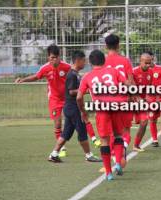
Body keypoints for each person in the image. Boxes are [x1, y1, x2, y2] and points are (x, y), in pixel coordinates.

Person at [77, 50, 127, 181]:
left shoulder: (87, 77)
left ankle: (109, 173)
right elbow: (127, 84)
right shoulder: (114, 71)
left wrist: (83, 111)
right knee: (118, 135)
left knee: (104, 140)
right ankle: (117, 163)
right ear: (104, 61)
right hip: (116, 106)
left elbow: (78, 97)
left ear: (90, 62)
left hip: (102, 109)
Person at [15, 45, 71, 157]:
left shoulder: (67, 67)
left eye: (56, 57)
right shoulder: (45, 68)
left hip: (67, 98)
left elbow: (76, 76)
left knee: (74, 120)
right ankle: (62, 148)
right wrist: (23, 80)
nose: (54, 60)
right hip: (54, 99)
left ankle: (90, 145)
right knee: (58, 123)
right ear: (48, 57)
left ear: (59, 57)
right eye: (51, 57)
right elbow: (36, 76)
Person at [48, 50, 101, 163]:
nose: (85, 63)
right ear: (77, 60)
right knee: (82, 131)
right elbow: (71, 91)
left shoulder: (75, 74)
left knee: (66, 133)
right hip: (73, 107)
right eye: (83, 60)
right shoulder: (72, 75)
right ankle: (88, 155)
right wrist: (87, 90)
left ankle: (53, 154)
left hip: (69, 107)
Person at [104, 34, 134, 150]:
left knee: (111, 131)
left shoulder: (103, 62)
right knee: (125, 129)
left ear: (106, 46)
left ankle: (114, 156)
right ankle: (124, 146)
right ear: (118, 45)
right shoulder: (125, 61)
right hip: (123, 99)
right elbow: (130, 82)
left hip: (106, 101)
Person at [132, 53, 154, 152]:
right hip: (130, 101)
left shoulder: (150, 73)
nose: (148, 65)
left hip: (141, 102)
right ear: (140, 61)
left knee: (144, 122)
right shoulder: (133, 72)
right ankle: (115, 148)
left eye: (150, 63)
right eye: (146, 63)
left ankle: (136, 145)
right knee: (123, 126)